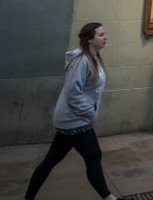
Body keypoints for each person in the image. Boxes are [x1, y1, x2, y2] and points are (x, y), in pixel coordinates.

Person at [25, 22, 120, 200]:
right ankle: (109, 198)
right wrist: (90, 112)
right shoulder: (81, 60)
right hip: (75, 119)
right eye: (101, 35)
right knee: (93, 156)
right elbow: (73, 93)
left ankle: (28, 198)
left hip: (70, 119)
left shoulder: (94, 58)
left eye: (104, 34)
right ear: (90, 39)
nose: (105, 37)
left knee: (50, 161)